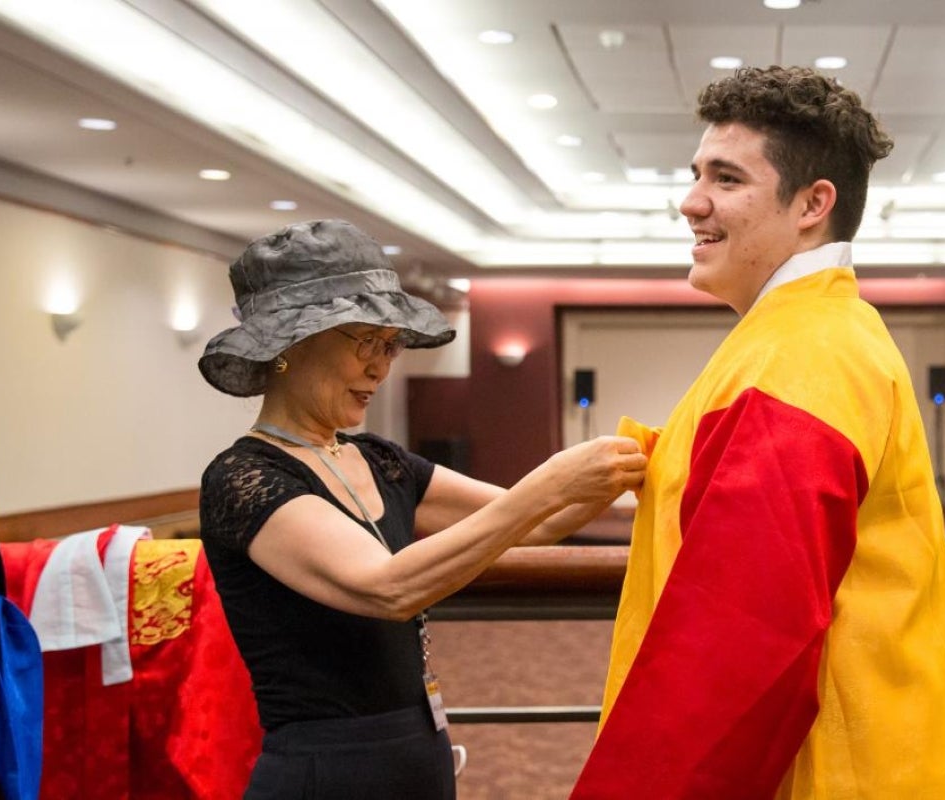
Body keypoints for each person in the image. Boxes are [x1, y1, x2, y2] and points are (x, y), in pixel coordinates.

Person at [571, 66, 945, 798]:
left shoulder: (804, 354)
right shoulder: (807, 337)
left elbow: (740, 644)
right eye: (696, 175)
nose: (691, 202)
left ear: (814, 203)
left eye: (726, 179)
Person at [196, 219, 646, 799]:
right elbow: (387, 588)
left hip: (418, 753)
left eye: (390, 346)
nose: (381, 368)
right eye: (366, 342)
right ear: (292, 345)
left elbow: (545, 522)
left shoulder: (382, 461)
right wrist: (550, 481)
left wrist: (630, 467)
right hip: (326, 771)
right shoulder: (243, 477)